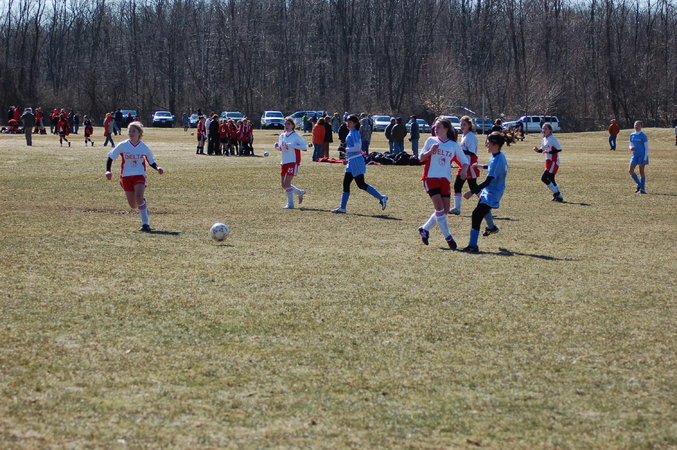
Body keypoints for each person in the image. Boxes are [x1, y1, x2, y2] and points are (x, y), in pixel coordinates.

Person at [417, 119, 469, 249]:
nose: (436, 129)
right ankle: (448, 237)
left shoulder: (453, 145)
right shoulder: (431, 140)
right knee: (440, 209)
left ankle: (424, 229)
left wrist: (464, 170)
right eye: (435, 127)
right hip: (431, 178)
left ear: (446, 129)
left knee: (444, 211)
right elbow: (420, 158)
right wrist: (430, 152)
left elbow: (464, 161)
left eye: (439, 127)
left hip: (445, 179)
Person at [105, 121, 164, 232]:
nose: (131, 133)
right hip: (126, 176)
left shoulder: (143, 147)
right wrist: (108, 171)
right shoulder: (123, 145)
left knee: (139, 197)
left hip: (139, 175)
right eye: (130, 131)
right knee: (133, 205)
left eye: (134, 131)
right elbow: (111, 157)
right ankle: (142, 203)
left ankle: (145, 224)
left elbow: (151, 161)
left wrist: (157, 168)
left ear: (139, 133)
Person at [461, 131, 514, 253]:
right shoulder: (498, 155)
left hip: (493, 192)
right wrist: (482, 166)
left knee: (476, 214)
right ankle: (492, 228)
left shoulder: (497, 160)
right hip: (490, 190)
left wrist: (471, 192)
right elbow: (493, 168)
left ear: (495, 145)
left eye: (488, 143)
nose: (486, 144)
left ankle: (473, 245)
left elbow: (488, 181)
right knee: (483, 209)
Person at [331, 115, 388, 214]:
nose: (348, 123)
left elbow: (357, 148)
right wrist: (347, 156)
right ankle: (342, 208)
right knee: (346, 183)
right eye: (347, 122)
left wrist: (346, 149)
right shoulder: (351, 132)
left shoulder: (355, 132)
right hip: (352, 161)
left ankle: (382, 197)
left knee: (361, 184)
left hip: (356, 161)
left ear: (355, 123)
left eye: (350, 122)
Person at [450, 116, 479, 215]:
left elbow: (471, 152)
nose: (462, 126)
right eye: (461, 124)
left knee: (473, 187)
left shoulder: (470, 136)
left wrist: (458, 150)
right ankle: (456, 208)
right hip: (463, 164)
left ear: (469, 125)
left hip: (469, 164)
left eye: (464, 124)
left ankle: (487, 204)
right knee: (457, 185)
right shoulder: (464, 135)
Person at [276, 118, 307, 209]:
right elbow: (281, 148)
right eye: (285, 124)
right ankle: (299, 192)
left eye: (289, 124)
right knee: (283, 185)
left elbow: (304, 147)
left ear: (293, 126)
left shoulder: (296, 136)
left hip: (293, 161)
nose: (287, 126)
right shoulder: (282, 135)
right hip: (284, 161)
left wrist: (292, 145)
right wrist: (277, 147)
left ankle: (290, 204)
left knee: (287, 183)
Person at [533, 123, 564, 202]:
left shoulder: (552, 138)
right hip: (548, 161)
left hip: (553, 161)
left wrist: (549, 152)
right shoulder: (544, 138)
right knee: (551, 179)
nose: (544, 130)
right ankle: (558, 196)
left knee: (544, 178)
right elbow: (543, 149)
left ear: (550, 130)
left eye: (546, 128)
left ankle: (557, 193)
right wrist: (538, 150)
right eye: (543, 128)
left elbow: (559, 149)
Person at [628, 120, 649, 194]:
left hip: (642, 155)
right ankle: (640, 185)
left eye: (638, 125)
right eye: (635, 125)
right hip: (634, 155)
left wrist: (645, 158)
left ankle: (642, 189)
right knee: (630, 170)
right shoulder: (632, 135)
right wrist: (631, 147)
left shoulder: (643, 136)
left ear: (641, 126)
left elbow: (646, 148)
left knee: (641, 172)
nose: (636, 126)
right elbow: (630, 144)